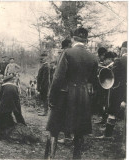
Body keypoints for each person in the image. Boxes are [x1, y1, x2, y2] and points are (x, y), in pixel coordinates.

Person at [45, 27, 98, 159]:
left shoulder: (67, 53)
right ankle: (77, 157)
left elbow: (58, 78)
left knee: (54, 128)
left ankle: (51, 157)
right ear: (86, 40)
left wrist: (51, 97)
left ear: (73, 39)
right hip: (83, 96)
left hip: (65, 95)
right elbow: (93, 81)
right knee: (79, 130)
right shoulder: (93, 57)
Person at [97, 41, 127, 139]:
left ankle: (108, 134)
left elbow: (113, 76)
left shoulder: (119, 60)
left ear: (123, 49)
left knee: (112, 112)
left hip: (118, 90)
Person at [0, 75, 26, 140]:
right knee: (18, 114)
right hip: (13, 103)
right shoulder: (15, 86)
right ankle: (23, 127)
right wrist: (17, 108)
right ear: (11, 80)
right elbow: (17, 97)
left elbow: (0, 97)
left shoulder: (3, 86)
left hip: (4, 104)